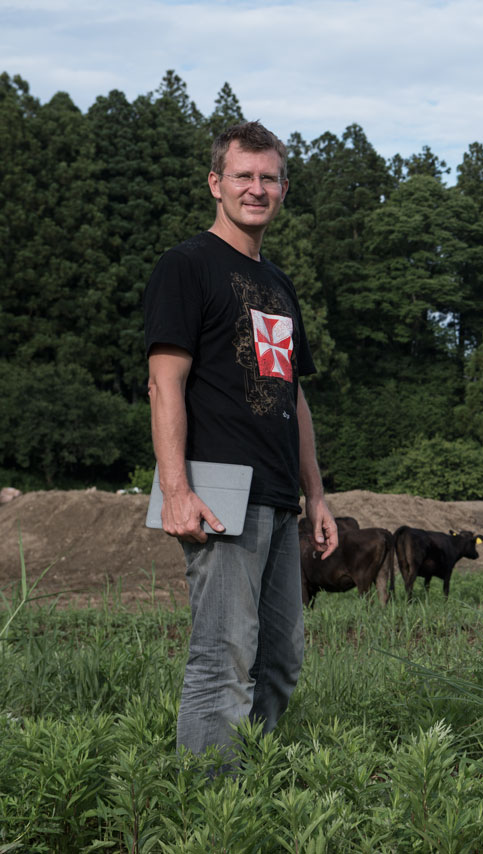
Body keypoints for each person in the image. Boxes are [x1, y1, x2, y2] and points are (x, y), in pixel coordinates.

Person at [144, 120, 338, 767]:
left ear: (282, 188)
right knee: (222, 658)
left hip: (280, 495)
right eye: (243, 176)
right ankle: (206, 812)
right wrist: (176, 491)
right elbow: (163, 382)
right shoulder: (187, 266)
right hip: (220, 491)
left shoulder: (278, 285)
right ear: (215, 184)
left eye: (268, 178)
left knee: (280, 660)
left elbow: (294, 395)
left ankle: (246, 791)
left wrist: (317, 496)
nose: (256, 188)